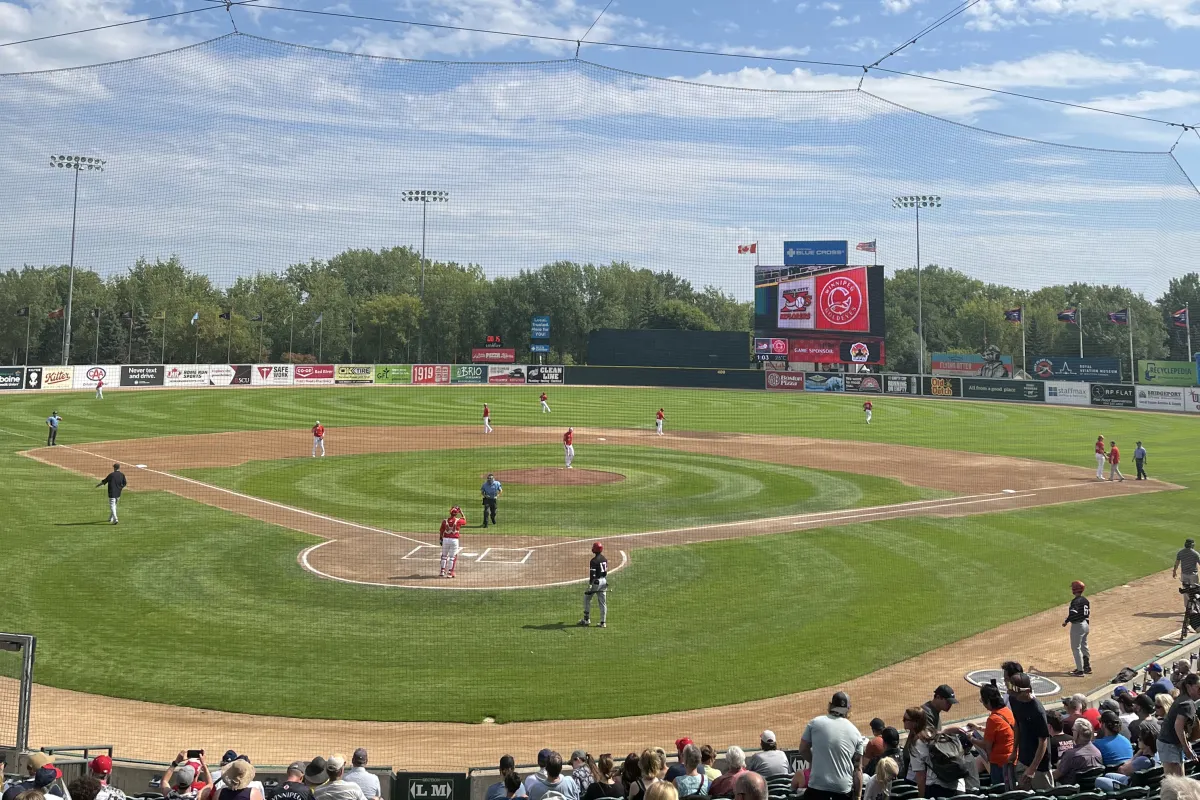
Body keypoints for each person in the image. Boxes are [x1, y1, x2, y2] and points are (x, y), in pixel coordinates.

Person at [796, 691, 864, 800]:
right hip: (843, 790)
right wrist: (858, 796)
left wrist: (815, 762)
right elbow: (858, 770)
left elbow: (803, 749)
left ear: (830, 706)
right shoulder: (856, 733)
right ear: (848, 709)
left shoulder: (815, 723)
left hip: (817, 787)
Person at [900, 705, 960, 798]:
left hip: (936, 788)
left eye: (905, 719)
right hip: (955, 786)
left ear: (915, 722)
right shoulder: (932, 732)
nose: (903, 721)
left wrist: (921, 798)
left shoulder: (917, 743)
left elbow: (921, 776)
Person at [1008, 673, 1053, 790]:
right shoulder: (1014, 700)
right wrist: (1014, 751)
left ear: (1027, 691)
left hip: (1039, 767)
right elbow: (1017, 725)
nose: (1012, 695)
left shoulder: (1038, 711)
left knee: (1044, 797)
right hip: (1023, 760)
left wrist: (1032, 769)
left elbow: (1043, 741)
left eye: (1016, 693)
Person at [969, 683, 1015, 789]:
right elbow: (1000, 732)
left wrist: (971, 739)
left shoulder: (993, 719)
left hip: (1000, 763)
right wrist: (978, 728)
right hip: (1011, 758)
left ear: (988, 702)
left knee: (1000, 791)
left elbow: (986, 745)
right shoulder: (1007, 711)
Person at [1096, 722, 1160, 792]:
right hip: (1139, 782)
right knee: (1108, 775)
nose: (1138, 740)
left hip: (1129, 788)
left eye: (1140, 739)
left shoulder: (1142, 760)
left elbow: (1122, 770)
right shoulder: (1156, 755)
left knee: (1098, 780)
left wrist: (1136, 755)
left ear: (1147, 743)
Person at [1158, 672, 1200, 776]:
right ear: (1188, 687)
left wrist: (1186, 745)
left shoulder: (1186, 700)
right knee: (1176, 781)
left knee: (1179, 779)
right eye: (1198, 687)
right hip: (1169, 744)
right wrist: (1186, 748)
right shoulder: (1187, 703)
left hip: (1171, 743)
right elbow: (1178, 726)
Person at [1054, 718, 1103, 784]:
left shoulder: (1071, 755)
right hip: (1092, 787)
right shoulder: (1097, 752)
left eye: (1073, 730)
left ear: (1077, 734)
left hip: (1072, 790)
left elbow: (1056, 775)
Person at [1063, 580, 1091, 676]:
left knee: (1076, 648)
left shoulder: (1075, 601)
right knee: (1084, 646)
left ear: (1075, 589)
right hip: (1085, 624)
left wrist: (1066, 621)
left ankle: (1080, 670)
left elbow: (1073, 614)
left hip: (1077, 626)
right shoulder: (1085, 600)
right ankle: (1086, 667)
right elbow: (1086, 614)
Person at [579, 542, 608, 628]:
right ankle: (603, 622)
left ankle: (586, 620)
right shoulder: (604, 559)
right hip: (604, 581)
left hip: (596, 582)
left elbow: (593, 574)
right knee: (603, 603)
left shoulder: (594, 561)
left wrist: (590, 585)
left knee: (587, 598)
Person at [439, 506, 466, 578]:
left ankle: (442, 571)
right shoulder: (458, 521)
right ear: (456, 514)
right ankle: (450, 572)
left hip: (445, 539)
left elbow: (441, 531)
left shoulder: (445, 521)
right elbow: (465, 521)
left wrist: (441, 539)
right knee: (452, 557)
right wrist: (461, 512)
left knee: (444, 556)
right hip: (454, 540)